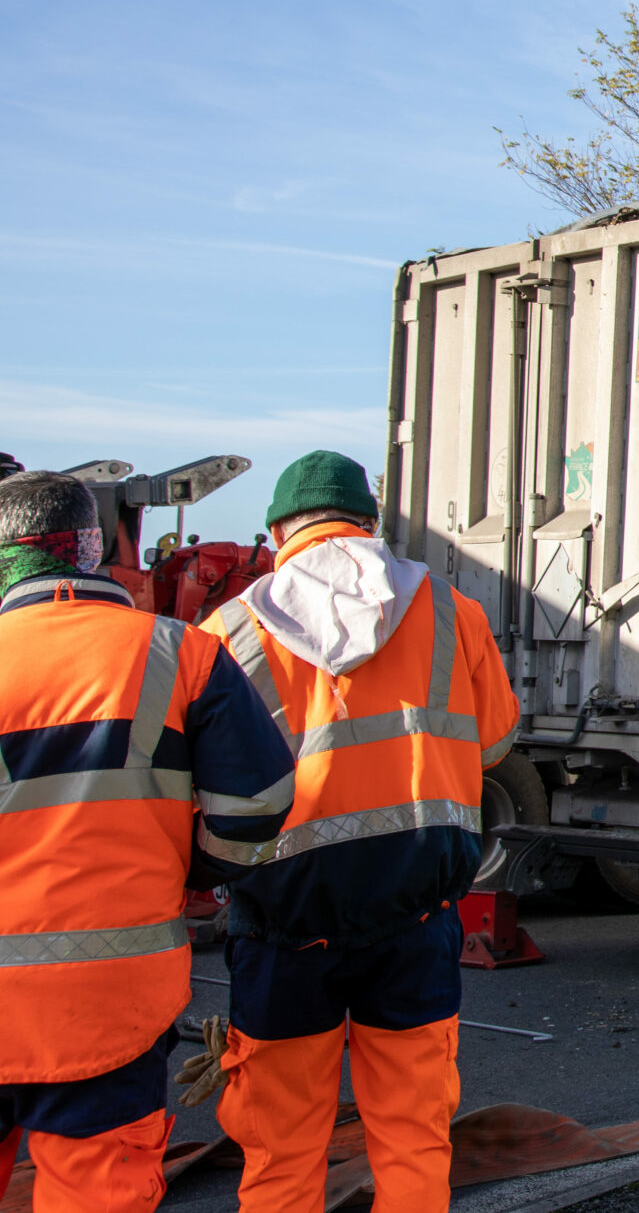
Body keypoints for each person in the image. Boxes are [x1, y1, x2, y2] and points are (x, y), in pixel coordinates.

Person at [202, 452, 519, 1213]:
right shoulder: (452, 610)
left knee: (280, 1148)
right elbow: (495, 743)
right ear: (369, 522)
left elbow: (208, 789)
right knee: (413, 1138)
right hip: (413, 917)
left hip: (283, 926)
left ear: (279, 530)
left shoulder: (226, 630)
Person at [0, 470, 296, 1213]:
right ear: (93, 547)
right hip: (110, 1004)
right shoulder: (182, 655)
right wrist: (189, 871)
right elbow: (260, 802)